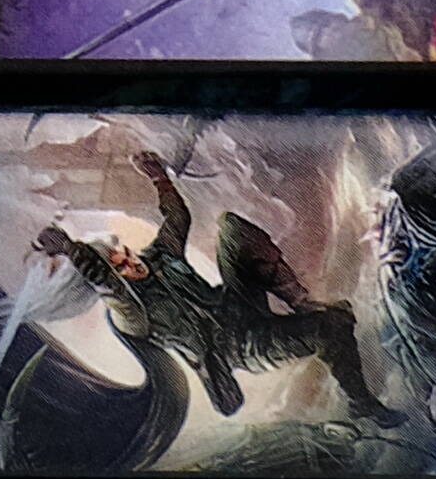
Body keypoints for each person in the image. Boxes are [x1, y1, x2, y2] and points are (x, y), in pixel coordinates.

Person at [29, 146, 398, 430]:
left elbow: (178, 218)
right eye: (119, 267)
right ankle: (362, 403)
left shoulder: (160, 257)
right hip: (241, 346)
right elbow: (107, 284)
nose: (129, 261)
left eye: (123, 253)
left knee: (232, 228)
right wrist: (71, 249)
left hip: (238, 304)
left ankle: (301, 302)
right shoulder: (131, 314)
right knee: (330, 328)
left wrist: (159, 178)